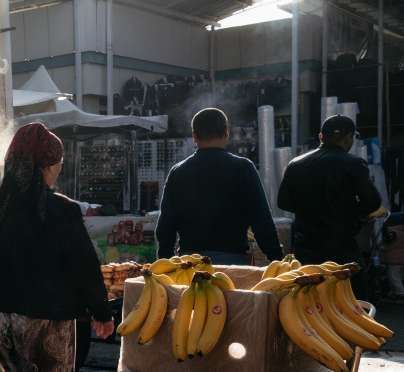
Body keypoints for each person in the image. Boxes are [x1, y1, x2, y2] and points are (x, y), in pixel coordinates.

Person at [0, 123, 114, 372]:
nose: (58, 169)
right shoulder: (62, 209)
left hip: (1, 319)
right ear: (47, 166)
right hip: (47, 317)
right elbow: (84, 266)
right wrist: (102, 314)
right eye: (57, 163)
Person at [155, 107, 283, 265]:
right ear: (226, 131)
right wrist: (277, 258)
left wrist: (165, 262)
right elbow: (261, 220)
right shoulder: (243, 168)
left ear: (194, 136)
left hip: (189, 263)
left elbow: (165, 226)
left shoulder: (177, 172)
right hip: (232, 260)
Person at [278, 114, 382, 299]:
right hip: (342, 248)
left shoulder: (295, 164)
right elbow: (373, 201)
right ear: (349, 137)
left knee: (308, 303)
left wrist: (310, 209)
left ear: (320, 137)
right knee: (353, 303)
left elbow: (283, 202)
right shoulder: (353, 163)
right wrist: (349, 213)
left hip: (305, 249)